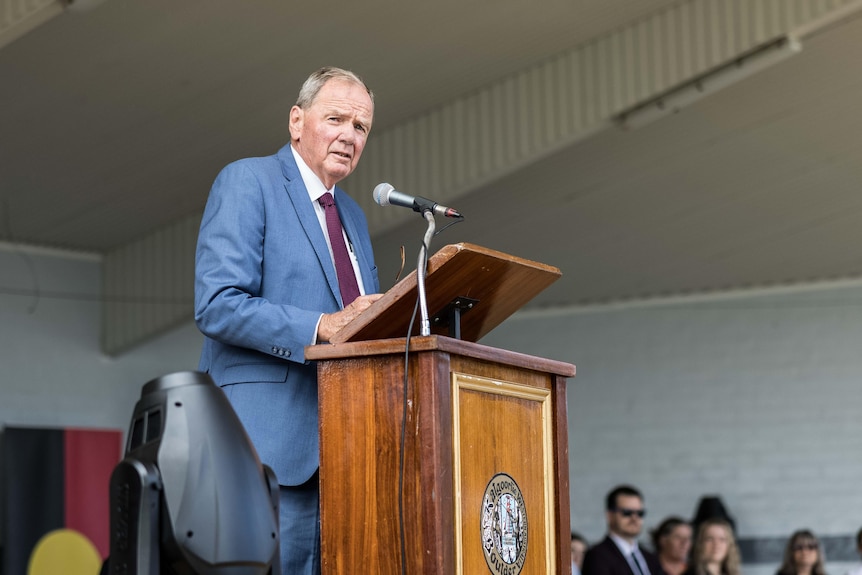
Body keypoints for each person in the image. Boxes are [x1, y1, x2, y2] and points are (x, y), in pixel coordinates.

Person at [194, 66, 383, 575]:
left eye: (361, 126)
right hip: (264, 454)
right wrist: (319, 324)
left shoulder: (355, 218)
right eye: (336, 118)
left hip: (347, 456)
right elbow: (216, 304)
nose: (349, 134)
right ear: (296, 121)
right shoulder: (248, 181)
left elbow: (358, 324)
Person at [582, 485, 666, 575]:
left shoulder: (650, 557)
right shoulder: (597, 556)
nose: (634, 518)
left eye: (640, 513)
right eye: (627, 512)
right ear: (610, 515)